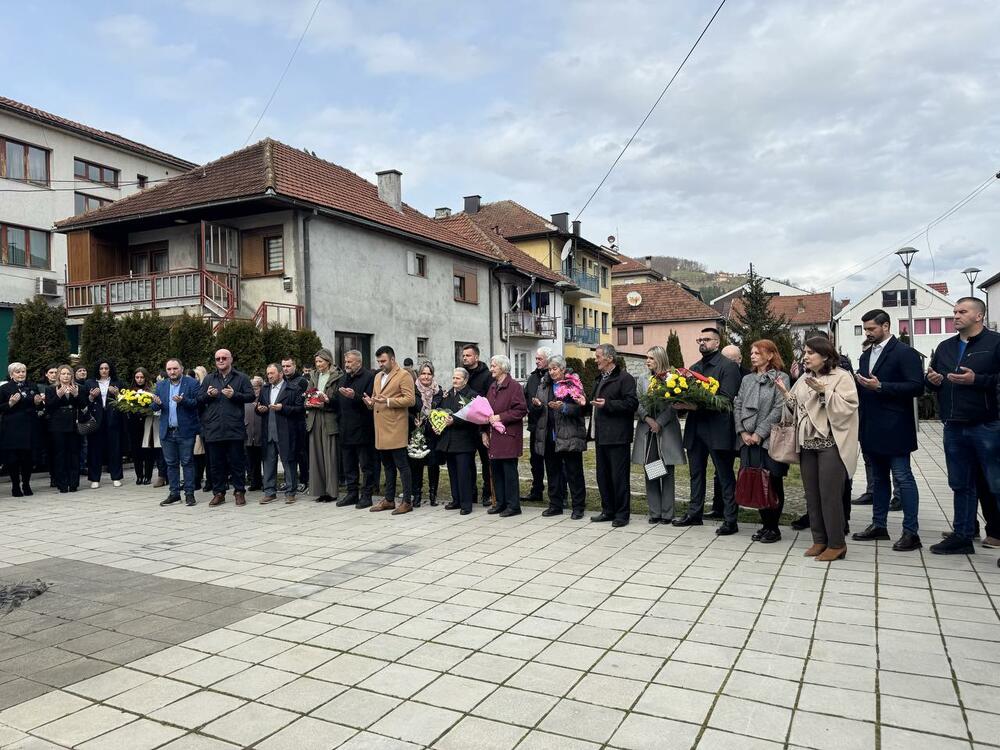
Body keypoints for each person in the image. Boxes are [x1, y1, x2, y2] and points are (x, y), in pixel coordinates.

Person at [925, 297, 1000, 557]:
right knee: (960, 484)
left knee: (995, 484)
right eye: (954, 311)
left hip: (987, 424)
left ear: (979, 316)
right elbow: (934, 380)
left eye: (962, 311)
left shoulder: (995, 343)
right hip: (953, 425)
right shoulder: (945, 347)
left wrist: (976, 380)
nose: (955, 315)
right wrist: (932, 380)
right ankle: (963, 536)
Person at [776, 336, 859, 562]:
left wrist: (824, 392)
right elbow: (797, 407)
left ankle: (837, 544)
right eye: (804, 352)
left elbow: (848, 408)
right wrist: (786, 395)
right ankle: (819, 540)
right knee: (812, 495)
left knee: (830, 496)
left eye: (810, 353)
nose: (805, 357)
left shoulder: (842, 377)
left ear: (825, 355)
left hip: (831, 444)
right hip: (807, 444)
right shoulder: (804, 378)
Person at [851, 309, 924, 552]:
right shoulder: (865, 355)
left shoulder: (905, 353)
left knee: (903, 478)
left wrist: (881, 386)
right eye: (866, 329)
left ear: (886, 326)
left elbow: (916, 386)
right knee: (879, 479)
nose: (868, 333)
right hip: (870, 426)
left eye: (872, 329)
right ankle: (878, 525)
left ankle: (910, 532)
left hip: (896, 427)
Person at [673, 328, 743, 534]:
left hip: (718, 429)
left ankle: (731, 519)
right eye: (700, 339)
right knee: (696, 474)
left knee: (724, 475)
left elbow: (726, 399)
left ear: (717, 343)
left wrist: (696, 406)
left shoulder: (728, 367)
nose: (702, 342)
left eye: (707, 339)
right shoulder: (694, 367)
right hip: (696, 429)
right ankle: (695, 513)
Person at [733, 340, 790, 542]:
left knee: (772, 482)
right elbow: (737, 404)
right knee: (756, 481)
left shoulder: (781, 378)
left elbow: (779, 408)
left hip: (769, 441)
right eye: (752, 352)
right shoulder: (747, 379)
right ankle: (765, 525)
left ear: (770, 355)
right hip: (748, 440)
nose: (753, 356)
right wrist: (742, 432)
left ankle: (774, 528)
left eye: (758, 352)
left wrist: (759, 433)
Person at [585, 344, 638, 528]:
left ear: (609, 358)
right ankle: (608, 510)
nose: (596, 360)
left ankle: (622, 514)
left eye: (598, 356)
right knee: (603, 476)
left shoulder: (625, 378)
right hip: (601, 435)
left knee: (619, 477)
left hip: (618, 436)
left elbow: (631, 404)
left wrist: (607, 404)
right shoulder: (599, 379)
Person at [632, 346, 685, 524]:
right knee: (652, 470)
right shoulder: (642, 379)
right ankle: (655, 512)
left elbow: (673, 404)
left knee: (667, 472)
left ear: (660, 359)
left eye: (651, 358)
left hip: (666, 430)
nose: (648, 361)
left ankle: (667, 513)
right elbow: (638, 401)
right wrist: (648, 419)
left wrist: (660, 422)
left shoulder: (672, 378)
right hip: (648, 430)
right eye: (647, 358)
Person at [532, 356, 588, 519]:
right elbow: (537, 411)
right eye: (550, 369)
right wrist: (536, 406)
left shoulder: (573, 384)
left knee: (574, 472)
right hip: (549, 435)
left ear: (563, 369)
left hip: (569, 434)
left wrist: (563, 407)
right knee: (553, 471)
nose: (552, 372)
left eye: (555, 368)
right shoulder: (544, 385)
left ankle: (578, 507)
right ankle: (555, 504)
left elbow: (581, 410)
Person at [199, 349, 254, 507]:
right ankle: (219, 493)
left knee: (237, 462)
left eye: (224, 358)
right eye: (218, 358)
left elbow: (250, 396)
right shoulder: (209, 378)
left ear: (231, 359)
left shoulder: (241, 377)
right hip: (214, 428)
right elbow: (199, 400)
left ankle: (239, 492)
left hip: (234, 428)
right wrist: (208, 395)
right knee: (216, 464)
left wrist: (235, 395)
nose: (221, 360)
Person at [365, 346, 416, 514]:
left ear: (392, 359)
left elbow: (410, 400)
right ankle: (389, 499)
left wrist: (388, 401)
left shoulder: (403, 375)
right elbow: (376, 397)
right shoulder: (378, 376)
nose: (380, 364)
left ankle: (407, 501)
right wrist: (370, 402)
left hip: (395, 427)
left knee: (402, 465)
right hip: (380, 427)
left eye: (383, 361)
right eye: (378, 361)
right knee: (387, 465)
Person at [484, 355, 528, 517]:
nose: (491, 369)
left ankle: (513, 505)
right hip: (494, 436)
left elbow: (521, 410)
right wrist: (483, 431)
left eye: (494, 366)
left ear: (503, 367)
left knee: (509, 472)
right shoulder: (492, 387)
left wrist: (501, 417)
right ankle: (500, 503)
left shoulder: (514, 387)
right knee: (496, 471)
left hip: (508, 436)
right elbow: (486, 409)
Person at [153, 359, 201, 507]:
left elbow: (198, 403)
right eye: (169, 369)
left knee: (187, 462)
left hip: (185, 431)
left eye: (175, 368)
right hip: (167, 431)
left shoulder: (191, 383)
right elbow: (154, 406)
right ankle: (174, 494)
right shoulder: (161, 385)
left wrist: (183, 401)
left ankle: (189, 494)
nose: (172, 372)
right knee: (171, 464)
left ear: (181, 369)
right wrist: (157, 404)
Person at [256, 364, 304, 504]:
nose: (269, 376)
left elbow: (300, 409)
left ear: (281, 374)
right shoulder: (265, 389)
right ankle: (270, 491)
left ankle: (290, 492)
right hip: (268, 431)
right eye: (268, 374)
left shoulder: (293, 388)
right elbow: (258, 408)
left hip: (286, 432)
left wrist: (284, 408)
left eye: (272, 373)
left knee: (288, 462)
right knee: (268, 462)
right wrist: (260, 409)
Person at [336, 349, 378, 508]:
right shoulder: (343, 378)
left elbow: (370, 402)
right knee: (349, 464)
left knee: (366, 465)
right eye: (345, 362)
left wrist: (355, 396)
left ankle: (366, 495)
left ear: (359, 363)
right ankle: (352, 493)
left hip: (363, 429)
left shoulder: (369, 378)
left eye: (349, 362)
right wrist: (326, 400)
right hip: (345, 428)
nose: (346, 365)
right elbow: (338, 400)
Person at [437, 368, 479, 515]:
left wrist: (454, 421)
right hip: (449, 441)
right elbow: (442, 410)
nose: (454, 381)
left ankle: (467, 504)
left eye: (458, 378)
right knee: (453, 473)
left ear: (465, 380)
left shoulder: (472, 395)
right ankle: (456, 500)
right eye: (453, 378)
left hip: (464, 442)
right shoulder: (448, 394)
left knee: (464, 474)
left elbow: (474, 418)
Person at [1, 362, 44, 496]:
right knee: (13, 459)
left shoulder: (32, 386)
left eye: (23, 371)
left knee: (27, 459)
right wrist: (10, 403)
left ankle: (26, 484)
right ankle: (15, 486)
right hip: (12, 428)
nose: (21, 374)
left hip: (29, 427)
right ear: (11, 374)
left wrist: (38, 403)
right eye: (18, 372)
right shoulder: (5, 388)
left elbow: (39, 406)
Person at [305, 348, 342, 503]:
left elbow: (338, 400)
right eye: (316, 362)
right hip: (314, 418)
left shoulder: (337, 377)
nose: (318, 364)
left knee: (329, 456)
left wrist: (325, 402)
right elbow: (307, 393)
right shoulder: (313, 376)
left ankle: (331, 491)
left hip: (328, 418)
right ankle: (319, 490)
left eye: (320, 361)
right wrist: (307, 402)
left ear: (328, 361)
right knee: (317, 456)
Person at [45, 365, 86, 493]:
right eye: (63, 374)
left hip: (74, 424)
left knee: (74, 454)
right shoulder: (51, 389)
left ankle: (73, 483)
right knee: (60, 455)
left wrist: (76, 395)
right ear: (59, 376)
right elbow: (49, 408)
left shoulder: (80, 388)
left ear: (72, 375)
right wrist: (58, 396)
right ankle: (62, 484)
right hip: (57, 426)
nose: (66, 376)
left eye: (68, 374)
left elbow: (84, 406)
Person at [85, 360, 125, 490]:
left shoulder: (117, 383)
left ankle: (116, 477)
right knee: (94, 449)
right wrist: (91, 397)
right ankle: (94, 478)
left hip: (112, 419)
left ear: (110, 369)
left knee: (115, 448)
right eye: (101, 368)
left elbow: (125, 403)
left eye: (106, 368)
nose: (104, 370)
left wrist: (117, 394)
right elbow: (83, 402)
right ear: (97, 369)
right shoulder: (90, 383)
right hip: (96, 420)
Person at [462, 344, 493, 505]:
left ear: (476, 357)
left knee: (486, 462)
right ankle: (471, 492)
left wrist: (484, 429)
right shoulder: (462, 374)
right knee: (467, 462)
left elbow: (489, 402)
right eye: (464, 355)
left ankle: (487, 493)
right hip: (466, 427)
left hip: (481, 426)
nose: (465, 358)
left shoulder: (487, 376)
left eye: (468, 355)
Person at [522, 347, 554, 503]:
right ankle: (536, 490)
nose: (536, 361)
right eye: (536, 359)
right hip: (535, 425)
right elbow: (526, 395)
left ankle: (557, 493)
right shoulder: (533, 377)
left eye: (539, 359)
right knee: (535, 461)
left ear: (548, 360)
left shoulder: (554, 375)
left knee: (552, 461)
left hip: (550, 426)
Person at [409, 362, 443, 508]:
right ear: (419, 374)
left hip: (433, 433)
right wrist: (413, 420)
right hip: (416, 432)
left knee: (433, 464)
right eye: (423, 373)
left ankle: (433, 495)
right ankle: (416, 495)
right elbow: (408, 409)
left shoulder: (439, 391)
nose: (426, 376)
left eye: (429, 374)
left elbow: (441, 410)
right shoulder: (412, 389)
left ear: (432, 375)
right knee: (416, 464)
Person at [126, 368, 160, 486]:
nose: (139, 380)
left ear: (145, 378)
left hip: (147, 423)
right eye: (137, 377)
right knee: (136, 451)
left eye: (142, 377)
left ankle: (148, 476)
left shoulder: (150, 391)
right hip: (134, 424)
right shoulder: (130, 392)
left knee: (147, 449)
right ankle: (139, 475)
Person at [282, 357, 310, 493]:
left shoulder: (302, 381)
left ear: (294, 366)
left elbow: (303, 404)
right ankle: (289, 480)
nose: (285, 368)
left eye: (288, 366)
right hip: (285, 422)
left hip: (299, 422)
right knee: (288, 453)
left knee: (301, 452)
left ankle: (305, 480)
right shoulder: (282, 381)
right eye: (283, 366)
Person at [191, 366, 211, 492]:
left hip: (206, 425)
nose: (195, 379)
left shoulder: (206, 389)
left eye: (198, 376)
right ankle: (196, 480)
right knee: (196, 455)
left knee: (209, 455)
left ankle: (210, 480)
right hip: (195, 425)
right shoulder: (192, 388)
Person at [245, 375, 265, 491]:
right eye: (252, 388)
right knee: (251, 460)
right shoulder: (246, 399)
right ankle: (254, 482)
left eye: (256, 388)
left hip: (261, 433)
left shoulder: (264, 399)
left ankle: (265, 482)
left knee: (263, 459)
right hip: (248, 434)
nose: (254, 390)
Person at [75, 365, 89, 475]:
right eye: (80, 371)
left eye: (84, 370)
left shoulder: (89, 384)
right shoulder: (74, 386)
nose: (83, 372)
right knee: (80, 442)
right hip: (77, 417)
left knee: (85, 443)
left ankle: (83, 465)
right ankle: (79, 465)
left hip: (88, 417)